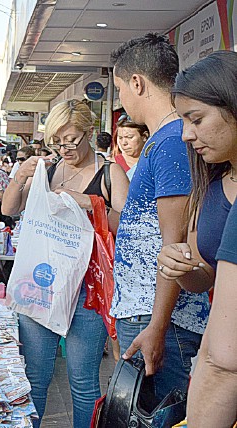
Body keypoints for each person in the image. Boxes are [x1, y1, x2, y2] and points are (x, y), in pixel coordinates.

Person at [0, 99, 129, 428]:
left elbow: (128, 225)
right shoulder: (49, 168)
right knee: (35, 380)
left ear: (89, 132)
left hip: (88, 293)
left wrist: (91, 202)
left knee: (84, 384)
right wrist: (21, 175)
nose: (64, 148)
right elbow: (10, 209)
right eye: (56, 141)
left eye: (71, 140)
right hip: (41, 285)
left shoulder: (110, 172)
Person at [109, 33, 210, 402]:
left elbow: (176, 246)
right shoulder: (165, 139)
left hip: (160, 318)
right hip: (151, 313)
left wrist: (157, 324)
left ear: (137, 83)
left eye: (119, 89)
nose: (121, 99)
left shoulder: (170, 142)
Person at [153, 51, 237, 426]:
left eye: (196, 119)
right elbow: (205, 276)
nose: (187, 134)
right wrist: (180, 267)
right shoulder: (213, 185)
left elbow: (225, 358)